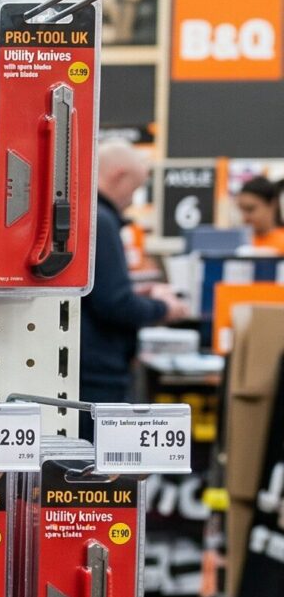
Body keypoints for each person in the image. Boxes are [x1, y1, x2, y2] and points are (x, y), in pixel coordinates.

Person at [81, 140, 193, 414]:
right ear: (119, 175)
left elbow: (95, 292)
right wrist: (165, 308)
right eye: (136, 188)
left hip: (87, 368)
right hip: (98, 374)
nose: (132, 199)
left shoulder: (87, 213)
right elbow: (114, 304)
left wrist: (138, 294)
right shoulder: (101, 220)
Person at [235, 175, 284, 251]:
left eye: (250, 209)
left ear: (273, 204)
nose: (245, 218)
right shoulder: (241, 241)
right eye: (241, 210)